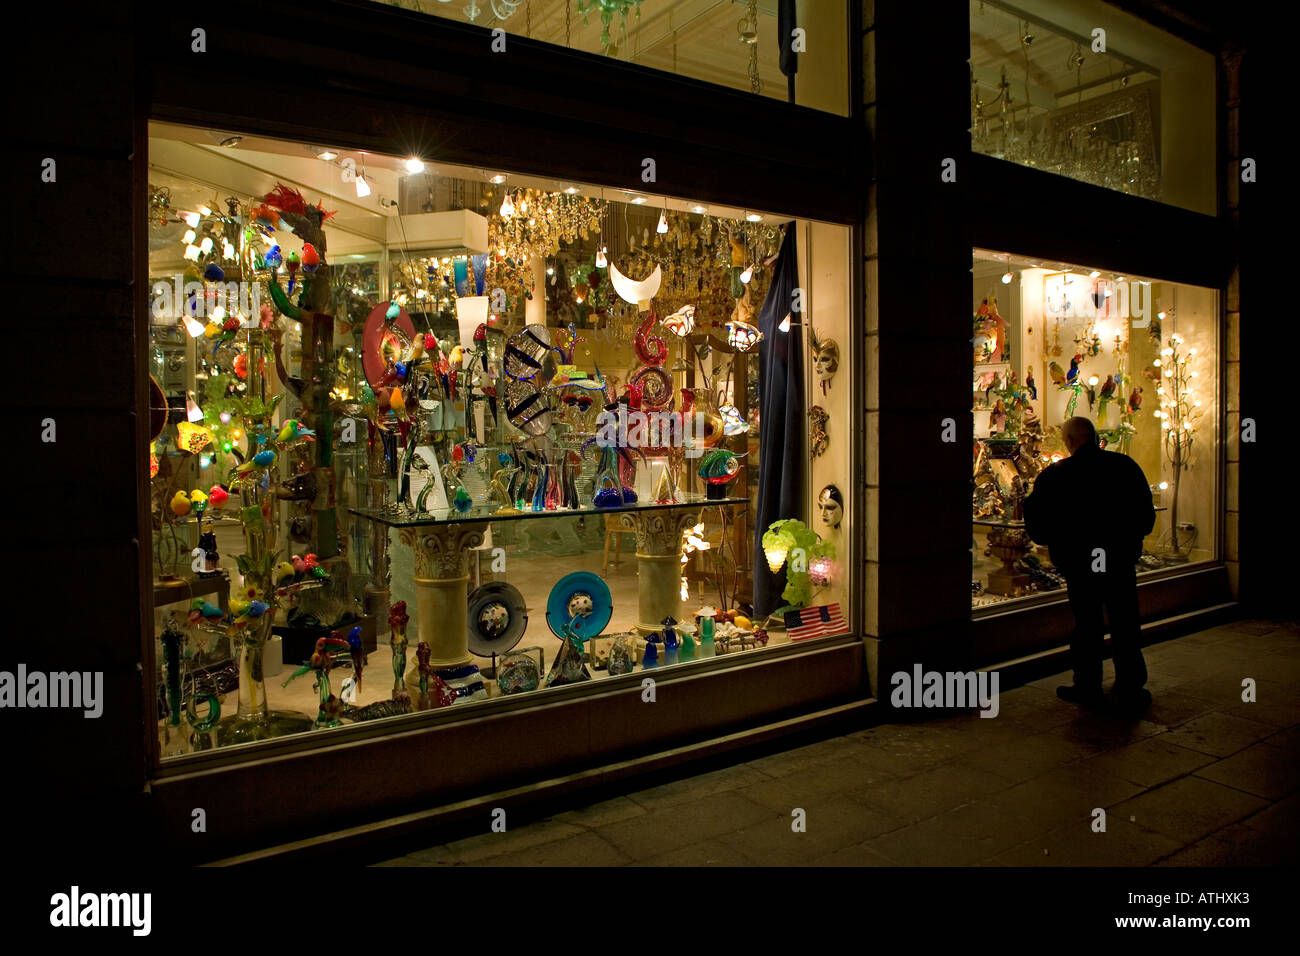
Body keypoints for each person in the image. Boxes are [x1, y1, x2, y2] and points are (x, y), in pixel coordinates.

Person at [1023, 416, 1156, 712]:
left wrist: (1059, 542)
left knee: (1086, 623)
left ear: (1069, 441)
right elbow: (1146, 517)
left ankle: (1087, 685)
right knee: (1125, 622)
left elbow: (1037, 522)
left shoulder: (1056, 475)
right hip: (1119, 559)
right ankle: (1131, 685)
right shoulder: (1125, 467)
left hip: (1079, 563)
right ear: (1095, 437)